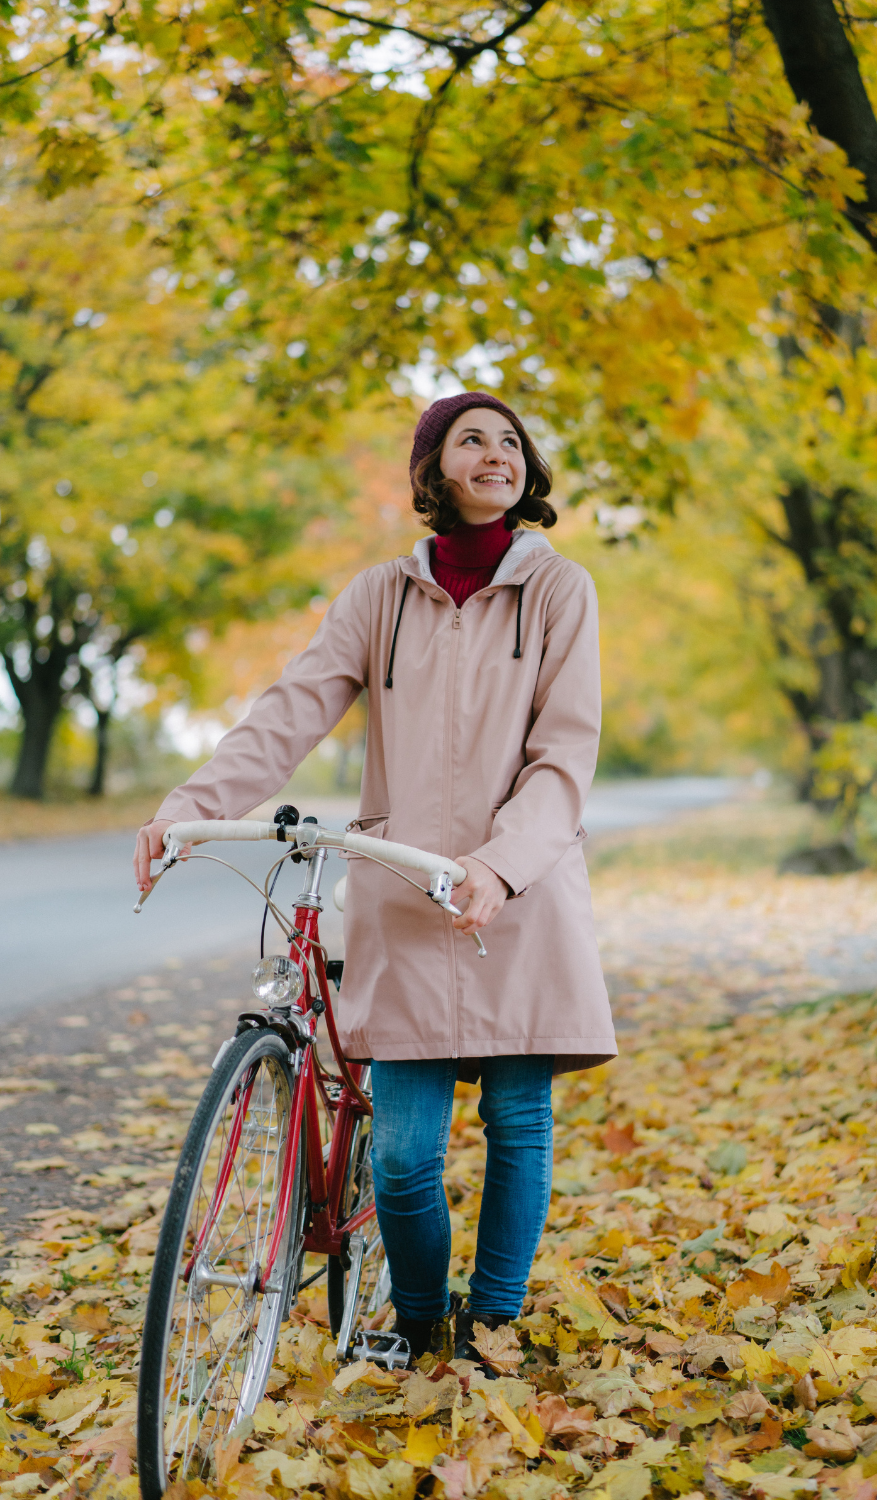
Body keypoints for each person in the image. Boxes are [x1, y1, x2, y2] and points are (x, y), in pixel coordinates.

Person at [133, 390, 617, 1366]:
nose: (494, 454)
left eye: (509, 441)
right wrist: (190, 802)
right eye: (469, 440)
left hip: (518, 894)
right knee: (401, 1158)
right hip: (401, 892)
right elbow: (290, 710)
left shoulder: (561, 593)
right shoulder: (377, 599)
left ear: (529, 468)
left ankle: (491, 1324)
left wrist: (500, 863)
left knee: (518, 1118)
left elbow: (564, 759)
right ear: (433, 469)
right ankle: (422, 1317)